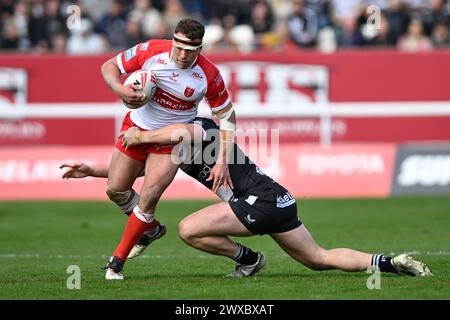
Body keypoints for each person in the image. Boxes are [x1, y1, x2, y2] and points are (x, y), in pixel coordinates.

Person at [60, 118, 433, 279]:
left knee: (189, 229)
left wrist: (140, 137)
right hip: (278, 198)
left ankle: (249, 260)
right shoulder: (175, 150)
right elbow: (141, 173)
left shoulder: (201, 128)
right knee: (318, 259)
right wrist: (90, 171)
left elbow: (183, 130)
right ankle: (389, 263)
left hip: (261, 200)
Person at [100, 18, 236, 279]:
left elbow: (228, 118)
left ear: (200, 49)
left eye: (191, 50)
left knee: (149, 197)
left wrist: (222, 161)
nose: (184, 55)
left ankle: (116, 262)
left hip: (171, 140)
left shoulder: (208, 75)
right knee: (116, 189)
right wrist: (121, 90)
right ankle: (150, 230)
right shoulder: (150, 51)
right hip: (135, 130)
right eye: (180, 48)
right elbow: (109, 67)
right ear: (173, 41)